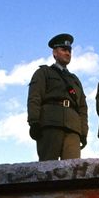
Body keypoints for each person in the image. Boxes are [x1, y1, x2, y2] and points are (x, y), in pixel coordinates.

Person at [27, 33, 88, 161]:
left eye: (69, 51)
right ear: (54, 53)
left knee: (73, 171)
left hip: (73, 128)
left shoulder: (75, 80)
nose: (68, 53)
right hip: (50, 124)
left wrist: (83, 132)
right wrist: (34, 122)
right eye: (64, 50)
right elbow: (35, 98)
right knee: (47, 170)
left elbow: (82, 108)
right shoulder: (43, 73)